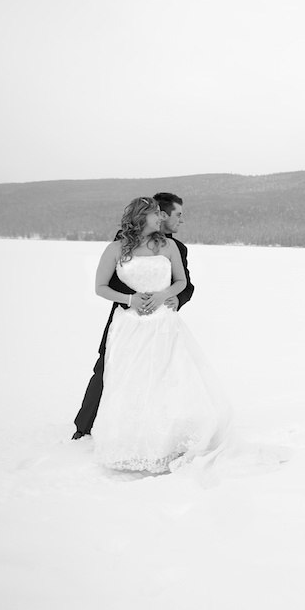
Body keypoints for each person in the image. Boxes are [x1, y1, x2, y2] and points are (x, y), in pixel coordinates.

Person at [89, 197, 232, 472]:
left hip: (163, 323)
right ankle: (130, 442)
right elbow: (100, 287)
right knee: (130, 381)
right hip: (129, 325)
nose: (161, 219)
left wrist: (163, 296)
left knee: (166, 379)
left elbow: (181, 281)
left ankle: (166, 442)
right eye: (156, 214)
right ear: (141, 217)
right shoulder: (116, 248)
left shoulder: (168, 246)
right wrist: (130, 300)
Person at [72, 192, 194, 439]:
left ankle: (156, 429)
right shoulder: (123, 242)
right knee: (107, 370)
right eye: (177, 215)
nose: (181, 221)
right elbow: (114, 279)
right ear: (160, 213)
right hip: (127, 319)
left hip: (161, 321)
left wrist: (171, 298)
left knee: (162, 374)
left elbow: (186, 284)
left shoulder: (175, 247)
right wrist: (136, 299)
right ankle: (85, 427)